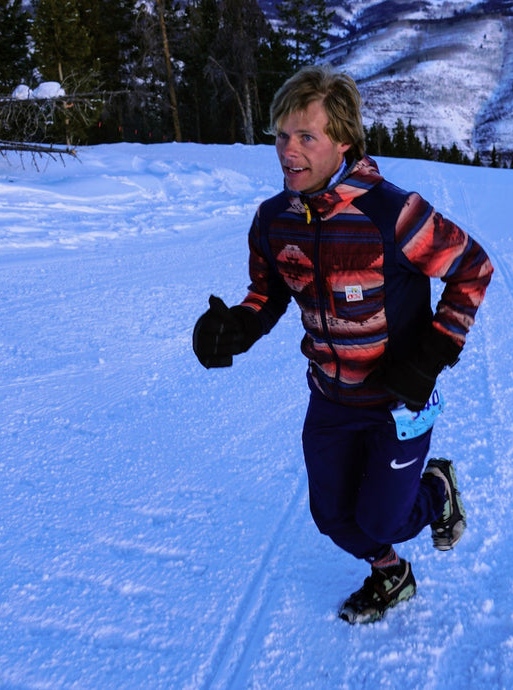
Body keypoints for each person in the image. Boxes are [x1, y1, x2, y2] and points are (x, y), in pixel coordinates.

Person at [192, 65, 492, 624]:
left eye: (307, 136)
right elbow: (269, 292)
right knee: (332, 516)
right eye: (282, 135)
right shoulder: (274, 219)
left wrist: (428, 357)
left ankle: (436, 490)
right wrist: (238, 327)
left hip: (398, 402)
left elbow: (473, 269)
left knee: (384, 519)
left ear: (344, 141)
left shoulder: (392, 213)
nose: (288, 150)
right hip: (330, 397)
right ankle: (391, 575)